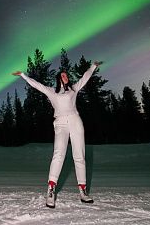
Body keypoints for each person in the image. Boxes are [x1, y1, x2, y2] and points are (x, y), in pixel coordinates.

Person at [12, 61, 102, 208]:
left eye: (67, 75)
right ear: (59, 78)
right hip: (60, 123)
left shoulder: (74, 89)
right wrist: (23, 75)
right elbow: (37, 85)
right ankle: (51, 191)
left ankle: (83, 192)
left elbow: (85, 78)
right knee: (58, 154)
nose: (66, 77)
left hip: (75, 121)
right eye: (63, 75)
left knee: (79, 156)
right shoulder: (52, 91)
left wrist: (93, 66)